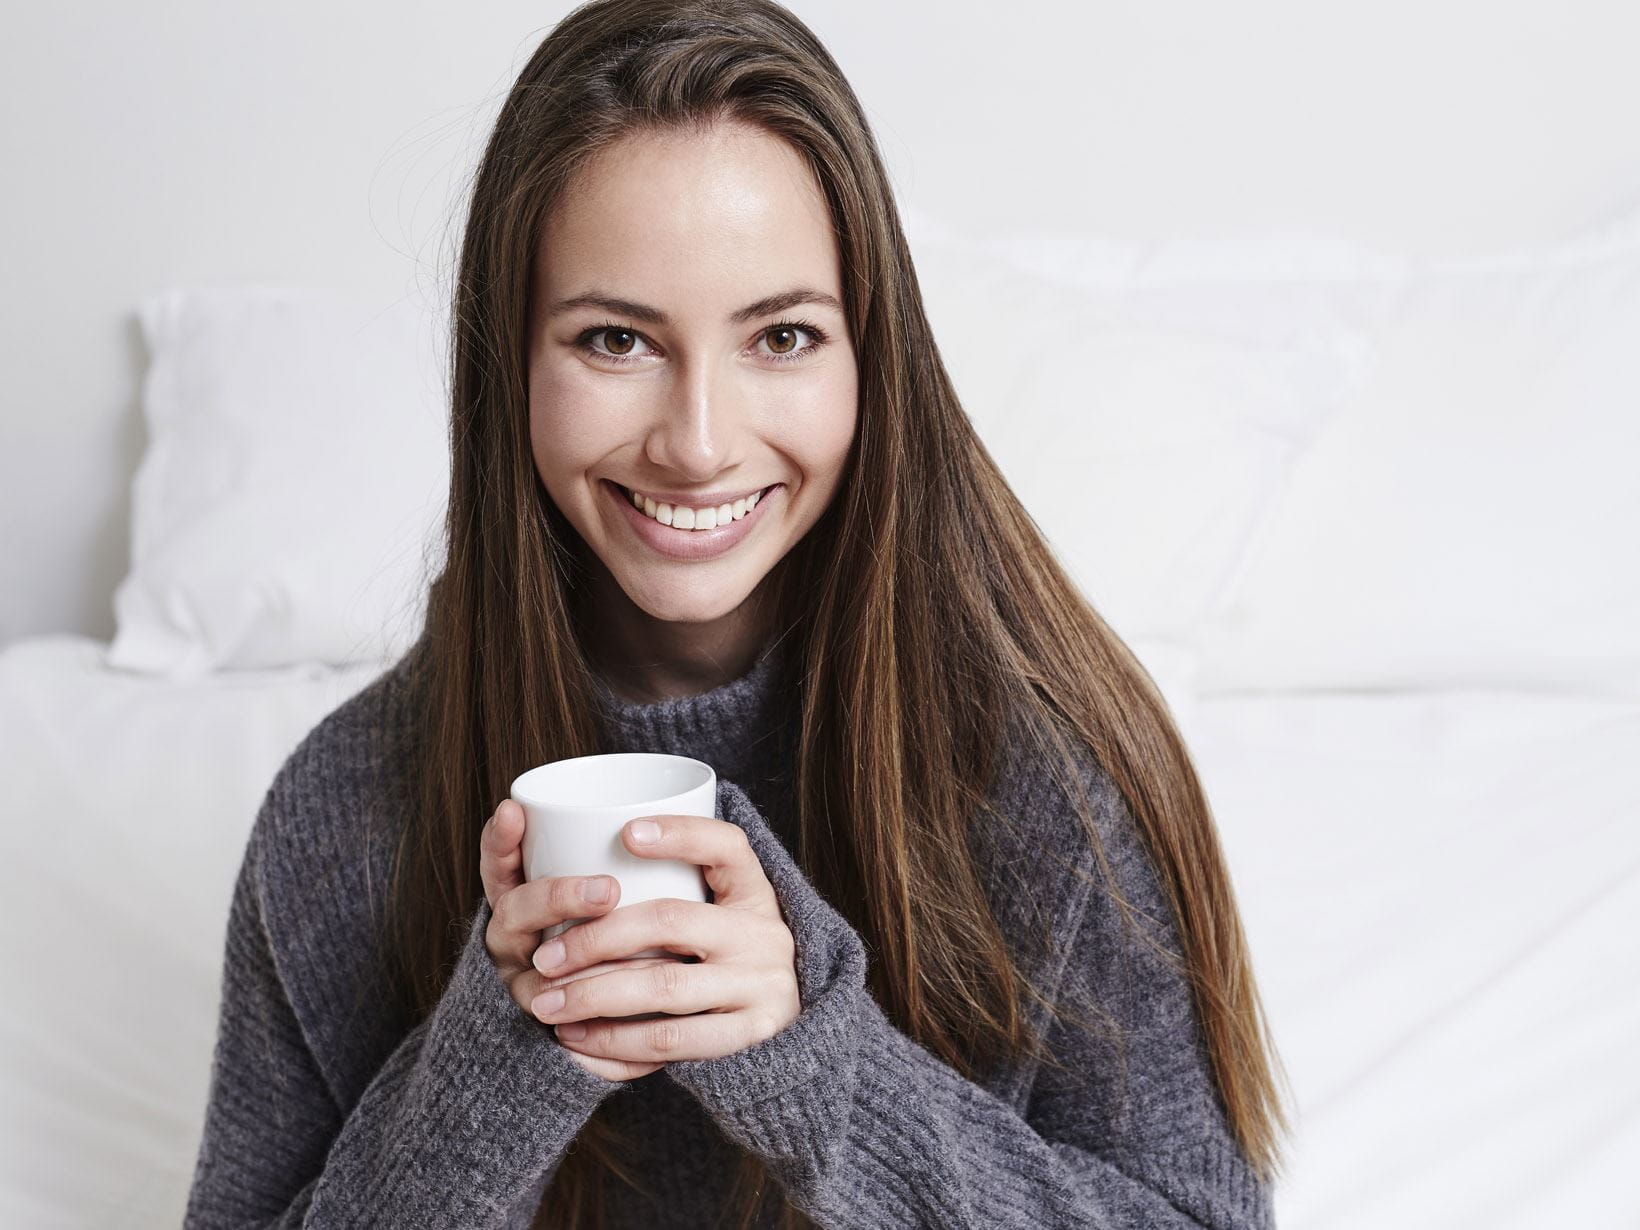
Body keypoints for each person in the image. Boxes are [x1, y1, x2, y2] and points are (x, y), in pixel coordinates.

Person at [184, 1, 1293, 1226]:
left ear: (872, 359)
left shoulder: (1045, 779)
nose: (698, 444)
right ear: (509, 366)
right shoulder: (350, 808)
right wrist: (492, 1063)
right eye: (614, 339)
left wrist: (818, 1065)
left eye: (780, 335)